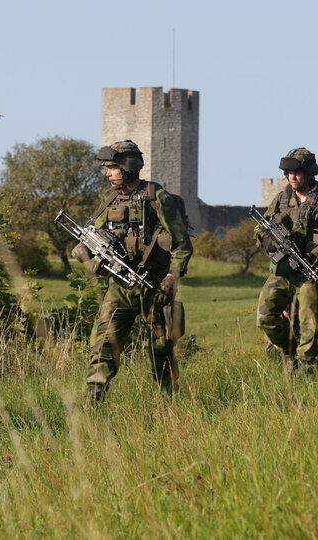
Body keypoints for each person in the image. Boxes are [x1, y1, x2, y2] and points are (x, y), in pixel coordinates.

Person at [71, 140, 192, 402]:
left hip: (156, 287)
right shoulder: (110, 200)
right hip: (120, 287)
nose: (107, 174)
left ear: (127, 167)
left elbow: (182, 244)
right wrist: (85, 249)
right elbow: (94, 235)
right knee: (103, 344)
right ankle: (92, 404)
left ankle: (170, 406)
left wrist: (171, 278)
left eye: (112, 168)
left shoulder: (157, 198)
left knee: (162, 350)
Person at [255, 148, 318, 373]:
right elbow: (261, 226)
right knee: (264, 317)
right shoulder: (281, 198)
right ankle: (289, 350)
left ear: (308, 173)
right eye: (288, 173)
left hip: (307, 272)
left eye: (297, 172)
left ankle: (307, 371)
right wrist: (266, 240)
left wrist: (312, 255)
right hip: (281, 271)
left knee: (310, 327)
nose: (292, 177)